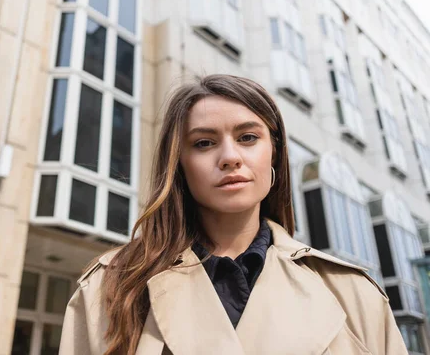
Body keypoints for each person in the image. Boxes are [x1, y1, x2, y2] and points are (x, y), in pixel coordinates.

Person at [59, 74, 407, 354]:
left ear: (274, 154)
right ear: (179, 165)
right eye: (204, 143)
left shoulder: (351, 292)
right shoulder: (111, 287)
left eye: (248, 137)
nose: (229, 157)